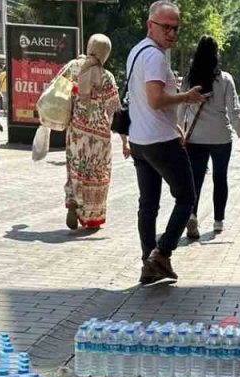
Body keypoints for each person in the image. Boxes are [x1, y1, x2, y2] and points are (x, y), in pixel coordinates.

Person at [127, 0, 207, 284]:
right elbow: (155, 99)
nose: (172, 33)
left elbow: (144, 103)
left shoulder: (137, 52)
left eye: (176, 28)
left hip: (140, 140)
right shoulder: (155, 57)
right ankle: (161, 253)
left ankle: (149, 263)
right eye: (166, 27)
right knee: (187, 196)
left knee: (148, 204)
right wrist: (187, 97)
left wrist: (175, 123)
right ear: (151, 25)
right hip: (160, 142)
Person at [181, 35, 240, 237]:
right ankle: (218, 221)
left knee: (196, 179)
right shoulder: (226, 79)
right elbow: (234, 112)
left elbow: (181, 109)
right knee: (220, 178)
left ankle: (192, 215)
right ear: (216, 54)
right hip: (221, 137)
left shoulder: (188, 78)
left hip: (196, 138)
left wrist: (179, 131)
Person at [57, 34, 122, 231]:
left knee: (75, 169)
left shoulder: (73, 67)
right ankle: (92, 215)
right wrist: (125, 140)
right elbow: (114, 108)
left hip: (76, 131)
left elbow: (58, 91)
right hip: (100, 135)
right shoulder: (106, 76)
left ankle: (73, 202)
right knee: (96, 173)